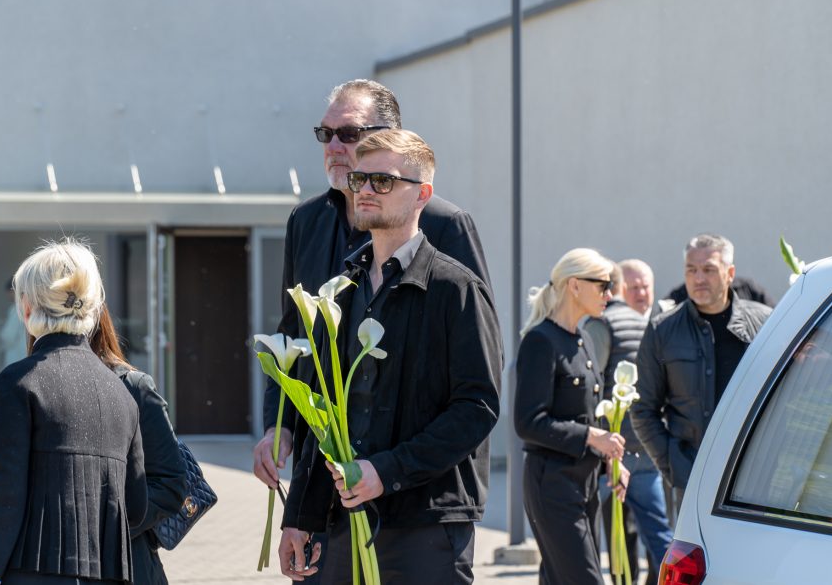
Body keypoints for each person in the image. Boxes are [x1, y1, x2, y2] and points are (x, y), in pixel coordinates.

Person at [278, 129, 502, 584]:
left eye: (382, 181)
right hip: (340, 525)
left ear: (422, 194)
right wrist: (298, 514)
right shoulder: (340, 290)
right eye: (360, 179)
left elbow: (477, 408)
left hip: (425, 527)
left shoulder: (455, 288)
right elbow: (318, 409)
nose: (364, 190)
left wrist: (387, 471)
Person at [253, 80, 492, 502]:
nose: (334, 146)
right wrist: (280, 425)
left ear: (386, 135)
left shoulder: (445, 224)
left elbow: (476, 361)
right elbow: (293, 336)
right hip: (329, 480)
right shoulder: (305, 222)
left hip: (419, 487)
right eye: (325, 134)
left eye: (348, 133)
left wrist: (396, 465)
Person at [0, 239, 146, 585]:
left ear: (27, 307)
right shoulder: (123, 396)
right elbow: (134, 508)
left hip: (33, 573)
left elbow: (1, 502)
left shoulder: (18, 384)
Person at [515, 248, 629, 585]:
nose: (610, 294)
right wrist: (592, 438)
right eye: (603, 285)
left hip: (586, 482)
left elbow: (587, 415)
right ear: (575, 285)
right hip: (552, 485)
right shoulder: (540, 341)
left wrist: (610, 460)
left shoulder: (584, 341)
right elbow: (528, 422)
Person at [632, 234, 771, 506]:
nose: (698, 279)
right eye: (691, 270)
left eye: (708, 269)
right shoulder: (662, 330)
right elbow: (642, 408)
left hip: (754, 478)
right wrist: (672, 465)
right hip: (691, 479)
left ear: (729, 273)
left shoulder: (765, 323)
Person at [584, 264, 672, 585]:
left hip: (611, 447)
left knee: (586, 533)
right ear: (623, 289)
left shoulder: (601, 325)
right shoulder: (649, 326)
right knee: (658, 533)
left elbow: (590, 386)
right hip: (642, 445)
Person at [91, 307, 188, 585]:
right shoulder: (34, 387)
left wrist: (108, 526)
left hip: (129, 564)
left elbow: (171, 482)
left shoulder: (134, 387)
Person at [0, 279, 28, 368]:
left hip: (16, 357)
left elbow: (8, 336)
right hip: (27, 356)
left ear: (13, 290)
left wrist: (0, 332)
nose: (8, 296)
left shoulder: (17, 309)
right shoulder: (32, 306)